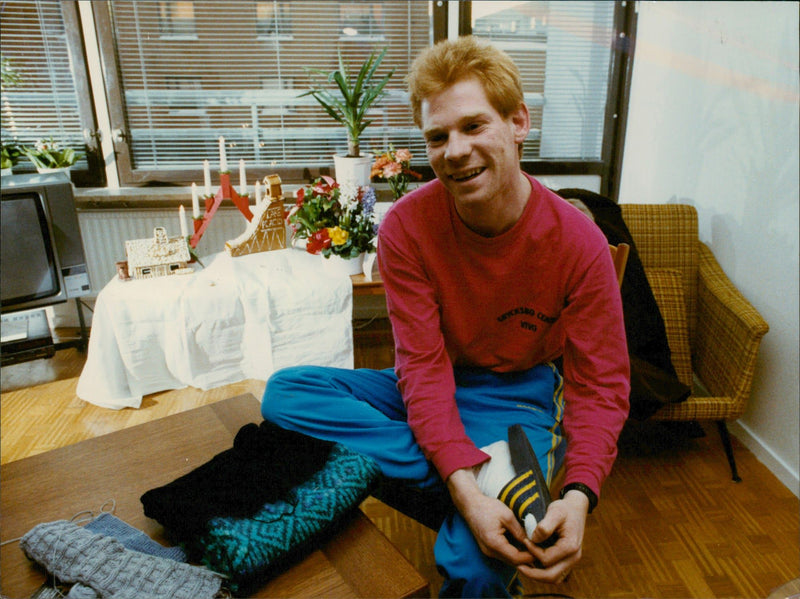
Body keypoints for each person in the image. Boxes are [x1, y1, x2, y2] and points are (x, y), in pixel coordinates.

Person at [262, 36, 629, 597]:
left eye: (474, 126)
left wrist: (578, 494)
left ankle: (476, 474)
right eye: (438, 136)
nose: (454, 150)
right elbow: (422, 368)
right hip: (432, 383)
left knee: (477, 567)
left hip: (517, 392)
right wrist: (465, 483)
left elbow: (600, 385)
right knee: (286, 393)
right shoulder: (407, 227)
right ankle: (486, 472)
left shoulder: (579, 243)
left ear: (518, 123)